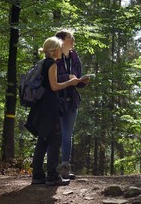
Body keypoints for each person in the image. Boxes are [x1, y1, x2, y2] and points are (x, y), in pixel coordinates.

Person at [30, 37, 81, 186]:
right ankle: (52, 176)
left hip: (41, 106)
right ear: (54, 50)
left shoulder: (42, 63)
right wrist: (70, 82)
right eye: (59, 48)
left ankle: (38, 175)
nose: (61, 50)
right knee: (54, 139)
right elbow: (54, 86)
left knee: (42, 140)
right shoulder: (51, 64)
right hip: (50, 107)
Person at [55, 29, 90, 180]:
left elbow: (77, 80)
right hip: (56, 100)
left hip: (72, 100)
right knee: (55, 135)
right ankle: (50, 168)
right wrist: (67, 77)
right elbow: (51, 78)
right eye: (70, 37)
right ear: (62, 40)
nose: (73, 39)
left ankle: (64, 167)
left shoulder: (75, 57)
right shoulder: (54, 55)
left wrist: (82, 81)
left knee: (67, 135)